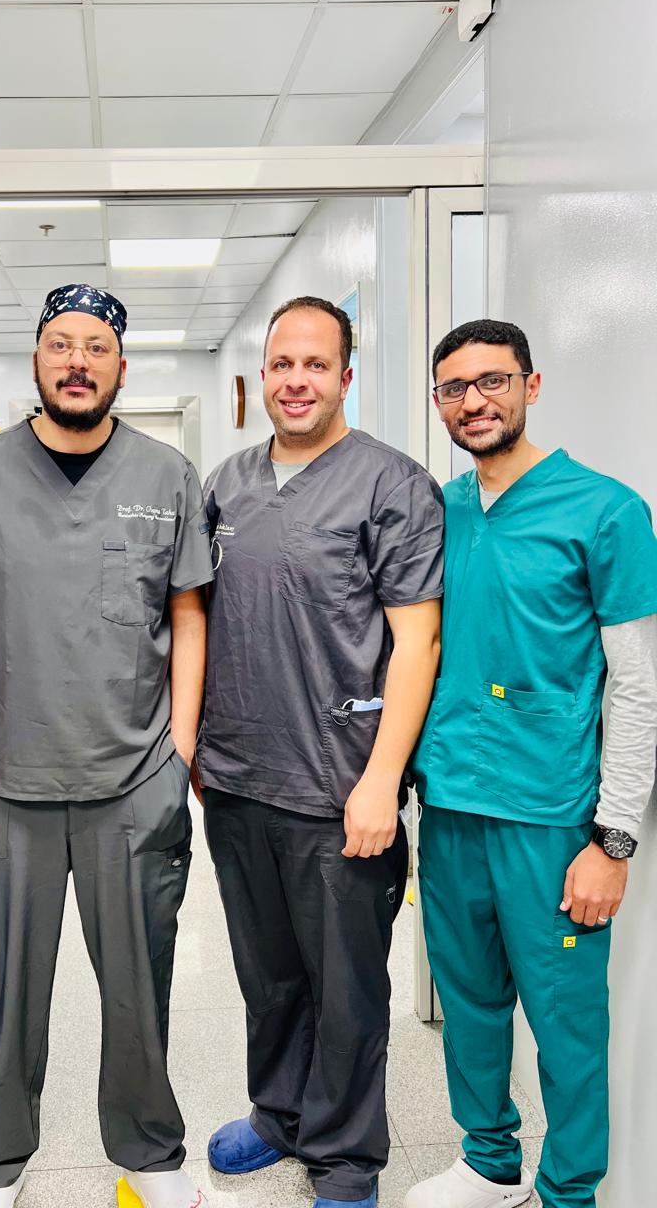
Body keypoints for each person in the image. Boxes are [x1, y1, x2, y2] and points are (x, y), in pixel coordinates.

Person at [0, 283, 214, 1208]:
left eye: (96, 347)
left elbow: (188, 616)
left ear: (121, 367)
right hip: (9, 780)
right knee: (4, 990)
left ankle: (149, 1154)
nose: (77, 361)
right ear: (37, 361)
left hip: (135, 778)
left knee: (140, 982)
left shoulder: (166, 474)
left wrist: (180, 751)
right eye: (61, 344)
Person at [197, 296, 444, 1208]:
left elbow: (417, 642)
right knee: (268, 976)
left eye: (315, 364)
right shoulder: (226, 483)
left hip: (342, 787)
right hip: (237, 780)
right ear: (261, 375)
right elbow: (204, 621)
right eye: (281, 364)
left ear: (345, 375)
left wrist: (382, 781)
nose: (295, 381)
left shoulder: (392, 485)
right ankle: (279, 1116)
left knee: (346, 988)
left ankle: (344, 1157)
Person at [405, 319, 657, 1208]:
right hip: (450, 805)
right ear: (439, 403)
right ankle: (488, 1162)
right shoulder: (439, 510)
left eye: (493, 381)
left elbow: (638, 687)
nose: (474, 402)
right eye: (454, 388)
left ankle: (570, 1192)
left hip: (552, 820)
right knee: (470, 1002)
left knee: (566, 1023)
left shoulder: (607, 511)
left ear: (531, 386)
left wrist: (613, 841)